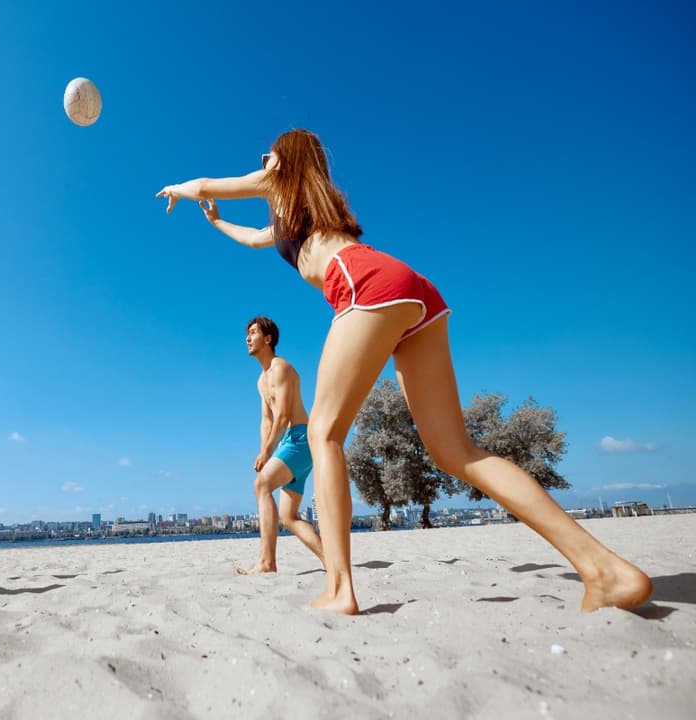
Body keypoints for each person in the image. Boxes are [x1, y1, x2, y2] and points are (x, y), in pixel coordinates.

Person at [157, 129, 652, 614]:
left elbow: (207, 183)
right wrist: (217, 222)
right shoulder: (301, 217)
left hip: (363, 285)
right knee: (456, 452)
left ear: (286, 160)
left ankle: (339, 589)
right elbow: (253, 239)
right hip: (413, 291)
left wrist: (179, 189)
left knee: (324, 435)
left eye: (267, 155)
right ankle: (603, 569)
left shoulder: (280, 182)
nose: (262, 162)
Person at [237, 316, 323, 575]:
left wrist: (268, 452)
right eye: (247, 334)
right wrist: (262, 450)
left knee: (262, 485)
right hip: (289, 442)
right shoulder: (261, 380)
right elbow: (266, 420)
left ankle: (267, 563)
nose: (248, 338)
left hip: (300, 439)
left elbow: (284, 416)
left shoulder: (281, 368)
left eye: (253, 333)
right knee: (289, 516)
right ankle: (332, 561)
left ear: (268, 339)